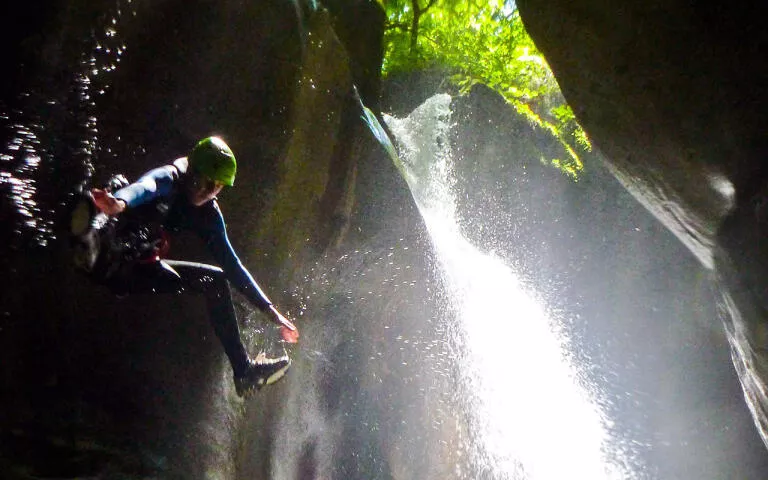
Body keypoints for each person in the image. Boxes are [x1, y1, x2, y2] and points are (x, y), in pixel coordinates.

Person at [90, 136, 299, 397]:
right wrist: (118, 202)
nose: (206, 192)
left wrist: (272, 312)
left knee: (216, 281)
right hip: (110, 252)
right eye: (203, 182)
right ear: (192, 171)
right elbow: (144, 187)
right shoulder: (170, 179)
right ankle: (93, 237)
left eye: (215, 187)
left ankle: (244, 373)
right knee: (119, 185)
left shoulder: (209, 215)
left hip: (135, 271)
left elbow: (233, 265)